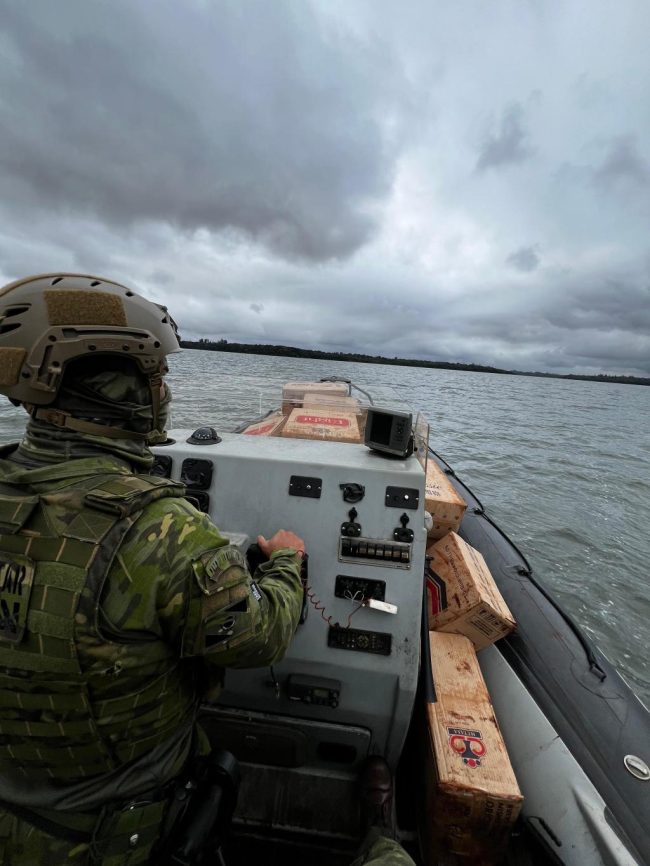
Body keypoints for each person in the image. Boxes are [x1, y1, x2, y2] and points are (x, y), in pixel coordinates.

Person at [0, 272, 416, 866]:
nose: (164, 389)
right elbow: (262, 636)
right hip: (121, 832)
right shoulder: (162, 531)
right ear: (111, 388)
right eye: (156, 374)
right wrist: (289, 562)